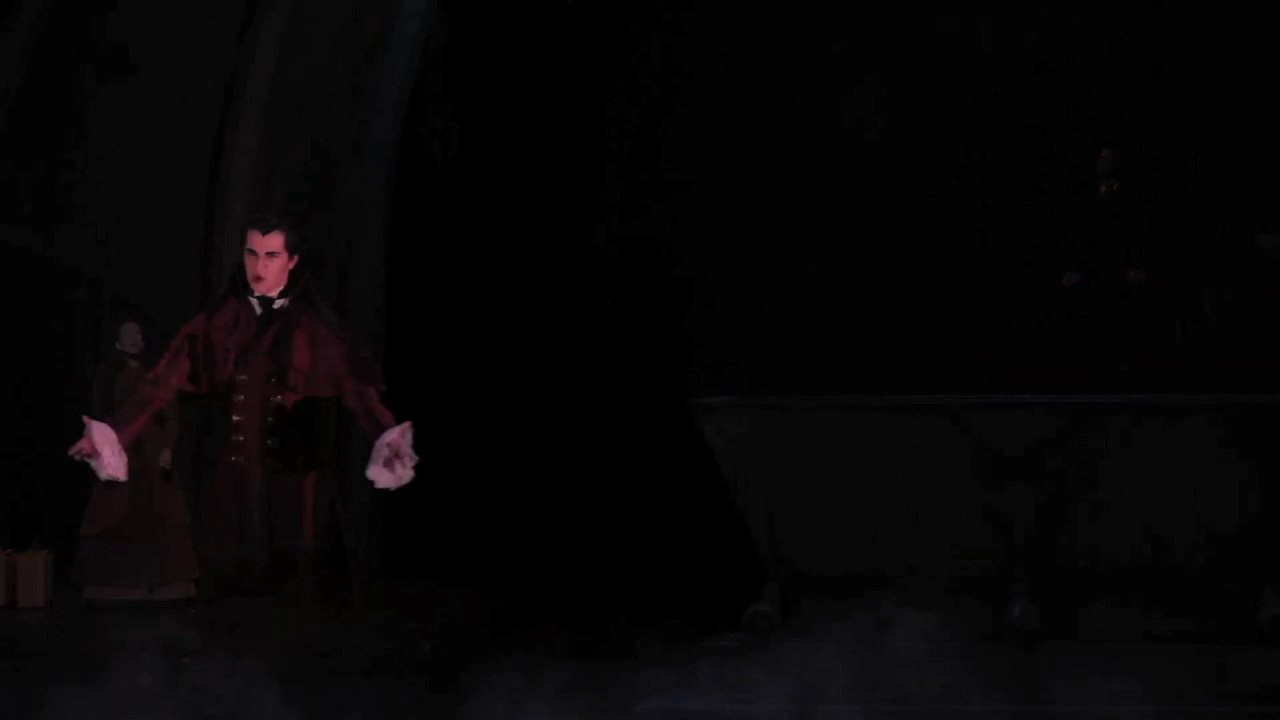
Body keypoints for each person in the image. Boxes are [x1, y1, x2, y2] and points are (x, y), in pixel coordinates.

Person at [68, 213, 418, 600]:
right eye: (252, 254)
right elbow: (161, 384)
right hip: (234, 480)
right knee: (232, 586)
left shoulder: (314, 329)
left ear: (292, 261)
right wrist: (114, 432)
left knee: (294, 588)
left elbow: (358, 391)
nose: (259, 266)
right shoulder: (218, 322)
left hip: (294, 485)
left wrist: (386, 433)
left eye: (271, 255)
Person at [72, 316, 198, 602]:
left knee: (159, 512)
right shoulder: (107, 374)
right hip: (120, 449)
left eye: (137, 334)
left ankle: (163, 584)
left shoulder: (157, 373)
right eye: (127, 334)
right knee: (114, 512)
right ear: (117, 342)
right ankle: (114, 586)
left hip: (152, 453)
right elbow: (99, 414)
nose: (134, 339)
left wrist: (167, 448)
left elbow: (171, 415)